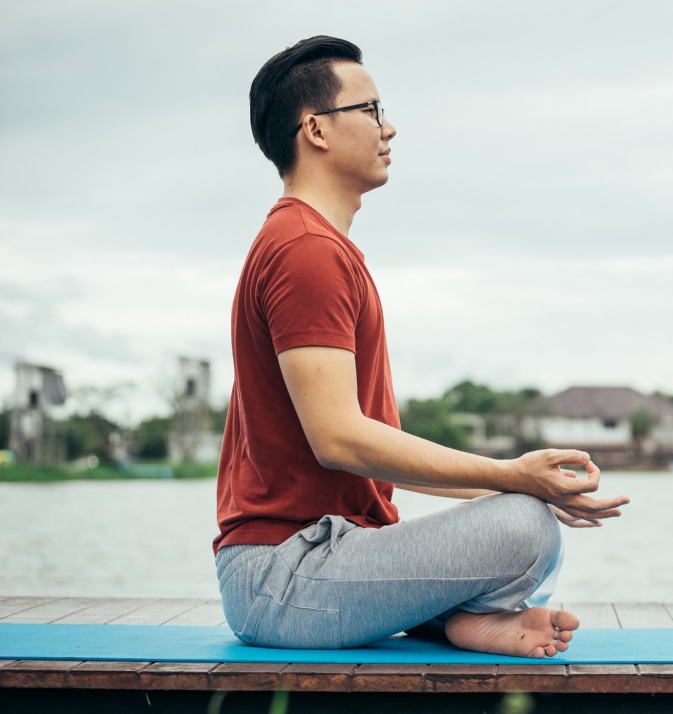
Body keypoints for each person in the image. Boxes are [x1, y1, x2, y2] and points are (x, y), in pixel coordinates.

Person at [214, 35, 629, 658]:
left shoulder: (315, 246)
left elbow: (370, 456)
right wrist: (508, 476)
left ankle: (455, 621)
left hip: (319, 563)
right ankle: (456, 615)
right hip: (282, 578)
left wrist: (518, 485)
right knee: (523, 531)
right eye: (371, 110)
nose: (390, 128)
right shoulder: (306, 252)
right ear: (316, 130)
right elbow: (339, 439)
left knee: (519, 513)